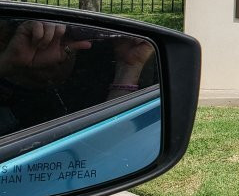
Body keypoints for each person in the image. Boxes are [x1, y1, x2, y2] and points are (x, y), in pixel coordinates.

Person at [0, 20, 157, 138]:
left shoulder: (99, 67)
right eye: (35, 40)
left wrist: (128, 67)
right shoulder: (8, 76)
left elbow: (113, 142)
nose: (46, 49)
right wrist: (8, 63)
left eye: (65, 36)